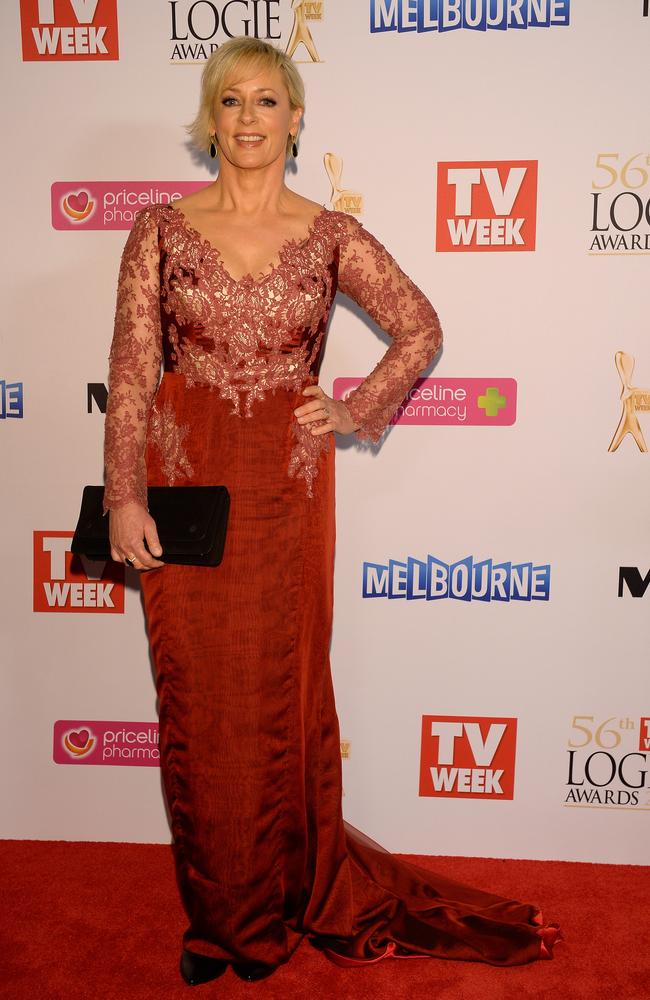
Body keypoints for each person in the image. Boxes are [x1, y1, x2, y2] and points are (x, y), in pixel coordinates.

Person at [102, 35, 561, 988]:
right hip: (184, 494)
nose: (249, 121)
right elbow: (131, 374)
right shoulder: (155, 228)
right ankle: (217, 918)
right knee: (195, 706)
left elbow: (421, 326)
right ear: (210, 119)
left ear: (296, 117)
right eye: (231, 103)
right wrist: (123, 494)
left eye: (267, 101)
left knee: (280, 697)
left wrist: (354, 410)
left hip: (285, 492)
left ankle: (277, 905)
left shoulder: (330, 234)